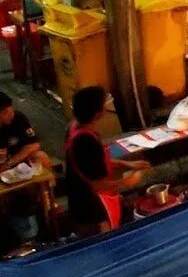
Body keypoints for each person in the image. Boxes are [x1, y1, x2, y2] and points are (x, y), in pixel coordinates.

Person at [62, 85, 148, 235]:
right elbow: (98, 185)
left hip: (78, 202)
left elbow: (91, 165)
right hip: (92, 211)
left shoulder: (73, 127)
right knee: (104, 244)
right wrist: (128, 181)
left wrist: (127, 163)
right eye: (104, 103)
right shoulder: (86, 142)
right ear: (97, 113)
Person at [0, 92, 41, 172]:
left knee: (40, 156)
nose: (11, 115)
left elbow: (33, 144)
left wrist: (9, 163)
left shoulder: (18, 118)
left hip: (16, 160)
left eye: (11, 110)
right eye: (6, 112)